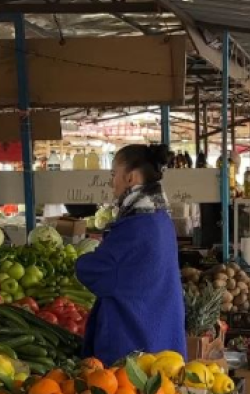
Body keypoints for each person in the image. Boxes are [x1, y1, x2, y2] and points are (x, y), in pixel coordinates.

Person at [76, 144, 187, 365]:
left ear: (131, 177)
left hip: (135, 344)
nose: (111, 182)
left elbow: (97, 272)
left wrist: (81, 261)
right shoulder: (159, 217)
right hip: (161, 332)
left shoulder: (135, 226)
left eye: (114, 174)